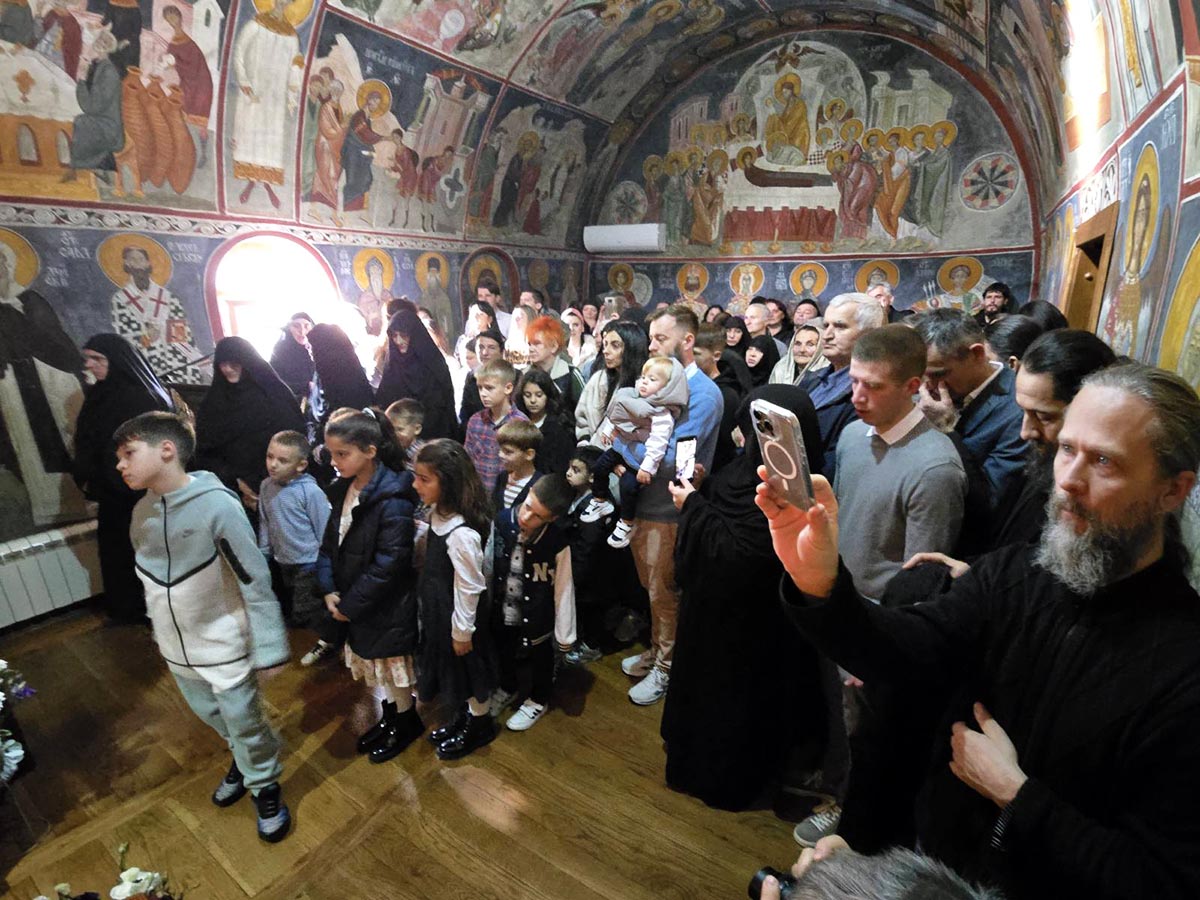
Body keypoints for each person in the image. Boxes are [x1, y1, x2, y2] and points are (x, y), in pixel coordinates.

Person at [760, 361, 1200, 900]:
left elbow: (1159, 881)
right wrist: (821, 582)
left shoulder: (1184, 665)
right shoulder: (1018, 574)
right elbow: (903, 651)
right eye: (1067, 449)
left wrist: (1017, 796)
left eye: (1104, 461)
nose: (1067, 480)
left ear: (1172, 490)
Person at [117, 412, 291, 842]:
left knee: (243, 720)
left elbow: (253, 578)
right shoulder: (141, 511)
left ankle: (264, 785)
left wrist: (269, 645)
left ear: (166, 450)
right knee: (211, 715)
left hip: (224, 643)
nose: (120, 464)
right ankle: (245, 759)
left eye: (128, 453)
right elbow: (150, 581)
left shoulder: (218, 506)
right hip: (178, 650)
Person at [661, 385, 823, 811]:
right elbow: (721, 517)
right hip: (707, 615)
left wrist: (692, 506)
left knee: (735, 706)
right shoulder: (743, 470)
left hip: (750, 628)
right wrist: (701, 490)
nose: (747, 439)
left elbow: (740, 559)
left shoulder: (794, 494)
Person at [620, 306, 723, 706]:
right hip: (642, 503)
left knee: (665, 593)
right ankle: (657, 652)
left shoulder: (703, 394)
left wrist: (622, 446)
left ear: (688, 341)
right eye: (651, 338)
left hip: (669, 509)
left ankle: (668, 667)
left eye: (661, 339)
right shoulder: (657, 381)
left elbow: (671, 460)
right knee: (652, 591)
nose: (651, 346)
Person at [315, 409, 423, 763]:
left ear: (370, 451)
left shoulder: (394, 499)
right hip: (356, 602)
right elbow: (330, 544)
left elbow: (389, 564)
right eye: (331, 453)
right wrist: (329, 589)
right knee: (378, 669)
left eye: (342, 454)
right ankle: (391, 718)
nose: (334, 462)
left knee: (391, 669)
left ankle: (406, 721)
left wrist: (350, 605)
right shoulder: (343, 489)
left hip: (384, 605)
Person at [74, 334, 173, 622]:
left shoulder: (144, 397)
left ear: (116, 361)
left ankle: (158, 609)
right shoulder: (100, 394)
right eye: (88, 358)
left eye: (97, 359)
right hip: (112, 491)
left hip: (141, 491)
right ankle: (127, 608)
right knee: (118, 551)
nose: (90, 365)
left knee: (149, 549)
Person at [412, 440, 497, 760]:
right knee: (454, 671)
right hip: (440, 610)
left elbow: (469, 586)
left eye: (424, 479)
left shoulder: (461, 533)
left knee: (469, 672)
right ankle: (466, 716)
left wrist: (462, 631)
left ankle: (480, 723)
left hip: (459, 616)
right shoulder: (438, 514)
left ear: (447, 482)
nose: (415, 485)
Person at [489, 474, 576, 732]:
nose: (526, 517)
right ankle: (507, 686)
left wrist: (565, 633)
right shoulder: (502, 520)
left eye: (537, 516)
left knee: (541, 657)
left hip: (538, 614)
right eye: (527, 506)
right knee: (504, 648)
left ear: (552, 518)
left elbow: (564, 586)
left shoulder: (556, 542)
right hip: (504, 606)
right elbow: (488, 564)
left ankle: (539, 698)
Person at [913, 310, 1026, 508]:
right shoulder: (933, 392)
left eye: (938, 374)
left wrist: (946, 429)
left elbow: (989, 501)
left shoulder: (1018, 410)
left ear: (977, 354)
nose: (927, 385)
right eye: (923, 374)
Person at [583, 356, 688, 549]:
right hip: (621, 445)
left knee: (628, 486)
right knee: (599, 467)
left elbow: (658, 443)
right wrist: (608, 430)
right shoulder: (632, 397)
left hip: (639, 457)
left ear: (668, 387)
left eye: (652, 379)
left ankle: (626, 522)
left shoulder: (662, 413)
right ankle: (599, 499)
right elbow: (617, 415)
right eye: (643, 377)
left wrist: (647, 467)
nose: (644, 382)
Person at [194, 337, 305, 508]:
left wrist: (267, 485)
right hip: (232, 494)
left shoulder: (275, 394)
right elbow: (205, 452)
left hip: (281, 488)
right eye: (222, 364)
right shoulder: (214, 402)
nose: (228, 369)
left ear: (246, 362)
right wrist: (236, 482)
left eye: (234, 363)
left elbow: (295, 440)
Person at [257, 430, 331, 647]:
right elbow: (265, 520)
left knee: (307, 609)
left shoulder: (310, 492)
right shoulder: (266, 486)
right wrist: (264, 551)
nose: (273, 464)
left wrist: (325, 562)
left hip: (309, 562)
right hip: (283, 560)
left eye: (282, 460)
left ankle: (324, 642)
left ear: (301, 465)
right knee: (294, 606)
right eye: (270, 457)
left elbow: (324, 529)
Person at [799, 293, 884, 480]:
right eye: (826, 326)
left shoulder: (870, 393)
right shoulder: (812, 379)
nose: (827, 335)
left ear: (868, 334)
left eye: (840, 326)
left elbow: (839, 462)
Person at [376, 308, 457, 440]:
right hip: (399, 438)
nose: (398, 341)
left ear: (414, 335)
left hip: (435, 434)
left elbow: (444, 404)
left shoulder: (433, 363)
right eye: (394, 335)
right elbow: (384, 402)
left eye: (404, 335)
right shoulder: (392, 366)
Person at [306, 324, 375, 477]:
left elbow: (352, 424)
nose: (309, 350)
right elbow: (314, 411)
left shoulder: (349, 381)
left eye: (313, 346)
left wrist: (326, 448)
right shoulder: (321, 374)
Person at [575, 320, 648, 443]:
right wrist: (584, 441)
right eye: (605, 344)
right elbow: (582, 418)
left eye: (615, 345)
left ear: (631, 348)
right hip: (590, 448)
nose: (606, 351)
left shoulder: (644, 386)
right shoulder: (599, 379)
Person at [463, 358, 528, 495]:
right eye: (480, 388)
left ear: (508, 388)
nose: (483, 393)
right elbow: (468, 460)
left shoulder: (521, 423)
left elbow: (525, 466)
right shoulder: (475, 421)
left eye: (489, 388)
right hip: (478, 495)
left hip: (507, 495)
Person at [692, 323, 750, 474]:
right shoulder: (690, 383)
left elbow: (722, 443)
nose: (689, 358)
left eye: (696, 353)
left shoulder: (727, 395)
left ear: (716, 355)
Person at [516, 367, 575, 477]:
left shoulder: (559, 427)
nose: (533, 400)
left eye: (539, 395)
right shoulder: (517, 421)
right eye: (527, 395)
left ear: (548, 395)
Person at [525, 316, 585, 416]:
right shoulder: (524, 375)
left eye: (537, 344)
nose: (531, 349)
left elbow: (585, 409)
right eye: (529, 344)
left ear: (554, 346)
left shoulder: (571, 375)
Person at [492, 419, 542, 514]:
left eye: (508, 452)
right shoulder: (502, 477)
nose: (500, 455)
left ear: (529, 454)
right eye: (500, 450)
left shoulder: (539, 484)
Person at [459, 327, 504, 429]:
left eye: (491, 348)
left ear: (501, 352)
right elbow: (465, 412)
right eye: (481, 347)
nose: (485, 352)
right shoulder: (472, 377)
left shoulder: (514, 376)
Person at [270, 313, 315, 398]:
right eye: (296, 326)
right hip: (291, 398)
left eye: (306, 326)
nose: (302, 331)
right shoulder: (280, 350)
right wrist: (306, 386)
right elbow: (274, 381)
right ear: (289, 329)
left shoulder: (319, 348)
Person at [384, 398, 427, 467]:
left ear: (417, 429)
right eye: (389, 429)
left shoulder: (424, 457)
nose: (393, 434)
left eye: (399, 429)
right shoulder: (388, 450)